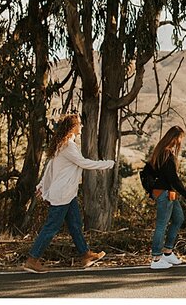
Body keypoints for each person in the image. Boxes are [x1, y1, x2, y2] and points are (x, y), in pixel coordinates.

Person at [23, 114, 114, 273]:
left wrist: (42, 185)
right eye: (79, 124)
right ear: (72, 127)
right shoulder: (68, 146)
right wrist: (107, 164)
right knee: (51, 227)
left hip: (68, 194)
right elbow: (84, 163)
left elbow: (49, 167)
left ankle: (85, 255)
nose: (82, 126)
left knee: (75, 225)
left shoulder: (63, 144)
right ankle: (32, 259)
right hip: (63, 194)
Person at [147, 126, 186, 270]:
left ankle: (167, 252)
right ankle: (156, 258)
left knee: (178, 219)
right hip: (164, 194)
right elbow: (173, 179)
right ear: (174, 138)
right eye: (180, 138)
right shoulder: (166, 154)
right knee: (162, 225)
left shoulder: (164, 152)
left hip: (170, 194)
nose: (181, 141)